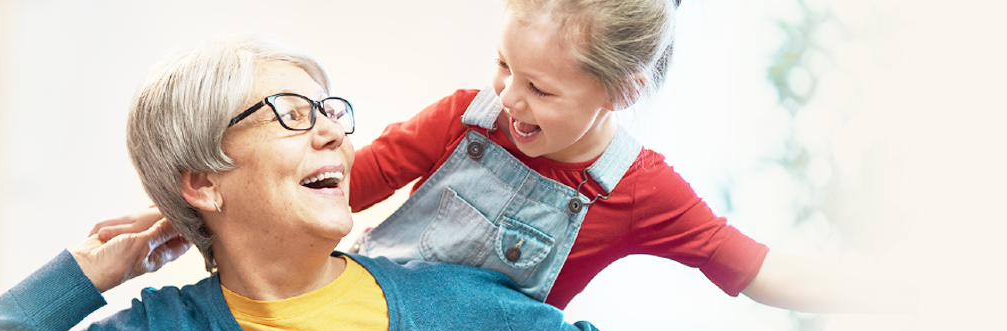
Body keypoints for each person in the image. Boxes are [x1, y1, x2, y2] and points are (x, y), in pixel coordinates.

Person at [0, 35, 910, 331]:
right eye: (287, 112)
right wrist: (81, 275)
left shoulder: (469, 316)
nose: (332, 128)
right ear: (201, 182)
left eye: (331, 109)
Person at [348, 0, 907, 313]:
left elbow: (756, 270)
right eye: (503, 66)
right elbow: (348, 186)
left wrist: (896, 294)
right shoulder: (464, 118)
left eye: (540, 90)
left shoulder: (639, 191)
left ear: (623, 92)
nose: (509, 96)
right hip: (357, 311)